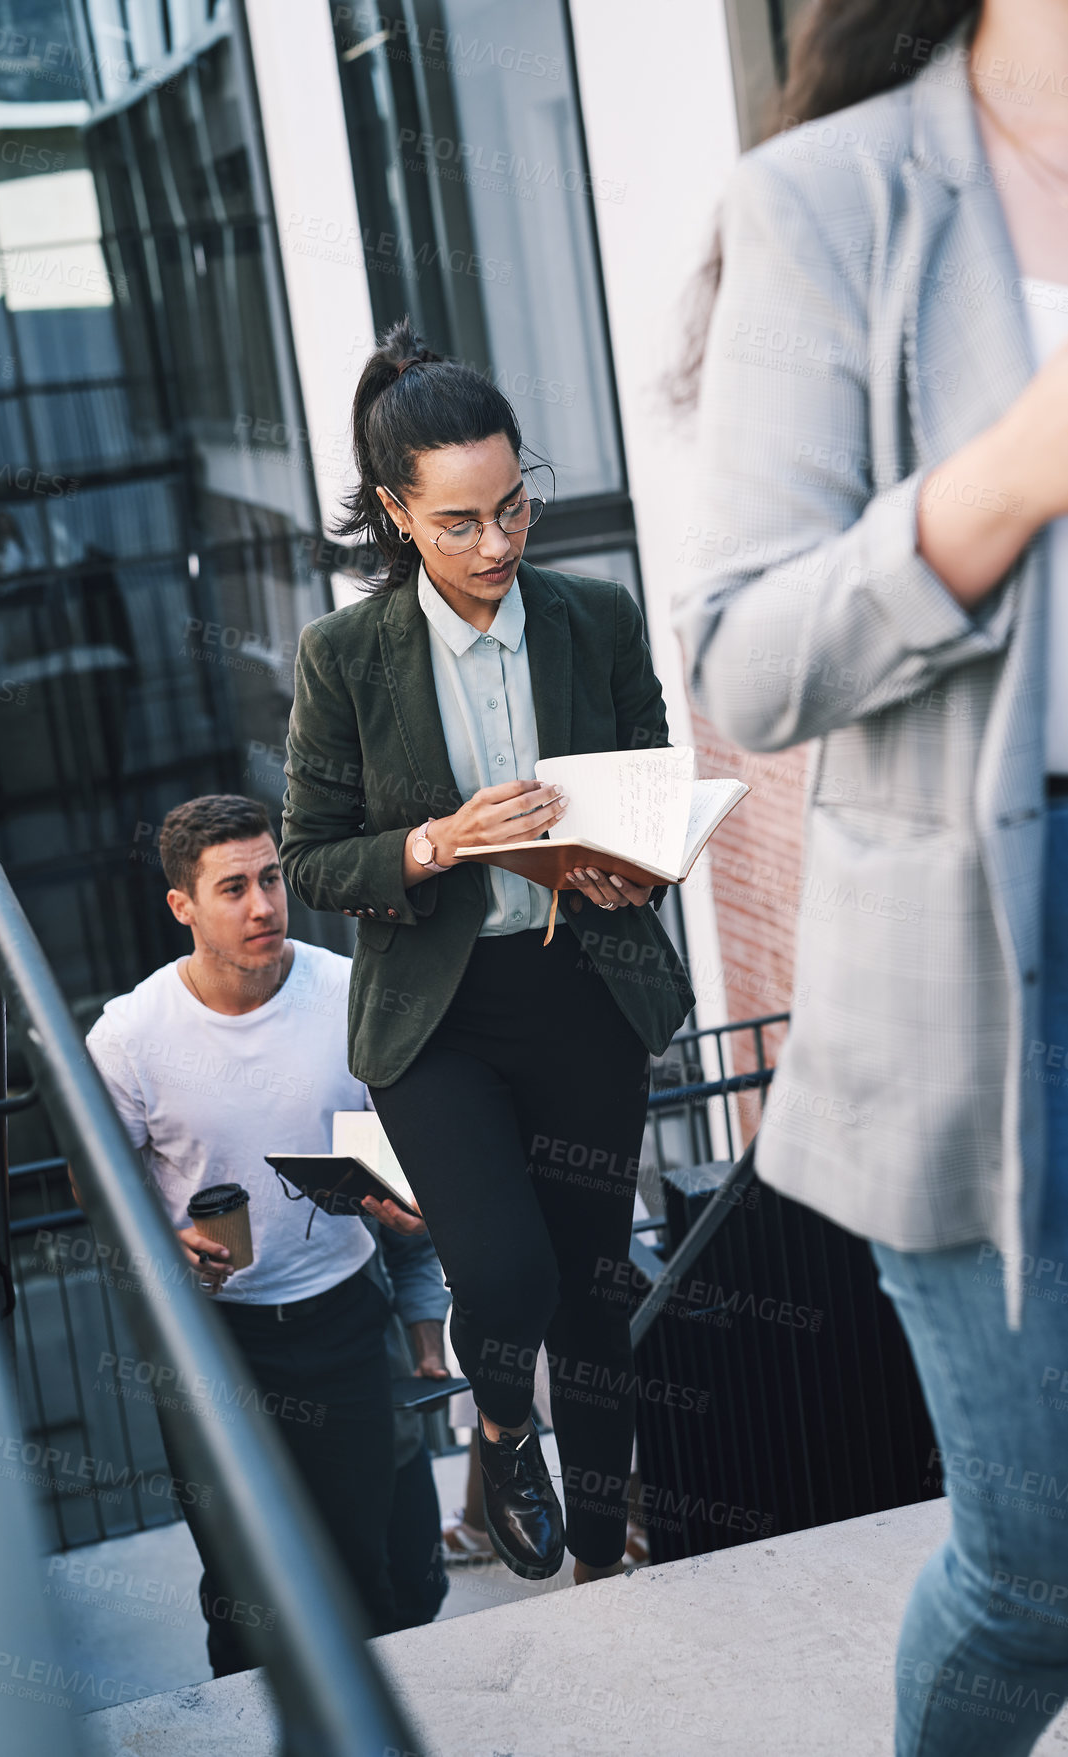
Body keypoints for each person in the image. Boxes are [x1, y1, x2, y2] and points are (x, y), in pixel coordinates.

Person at [675, 1, 1068, 1751]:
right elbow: (746, 662)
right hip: (983, 975)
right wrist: (1005, 475)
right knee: (1041, 1571)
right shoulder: (835, 199)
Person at [280, 319, 694, 1586]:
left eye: (512, 507)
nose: (498, 543)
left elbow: (654, 787)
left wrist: (634, 858)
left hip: (583, 986)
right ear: (399, 514)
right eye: (459, 522)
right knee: (505, 1275)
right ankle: (508, 1435)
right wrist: (438, 843)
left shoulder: (596, 617)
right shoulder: (343, 657)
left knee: (594, 1288)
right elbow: (312, 859)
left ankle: (613, 1562)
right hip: (438, 1017)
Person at [82, 793, 451, 1672]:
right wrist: (156, 1236)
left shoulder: (342, 988)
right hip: (215, 1340)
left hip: (344, 1318)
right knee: (243, 1588)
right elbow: (93, 1181)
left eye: (273, 878)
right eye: (234, 887)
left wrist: (412, 1212)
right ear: (182, 906)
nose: (262, 905)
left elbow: (404, 1154)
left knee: (373, 1575)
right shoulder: (129, 1036)